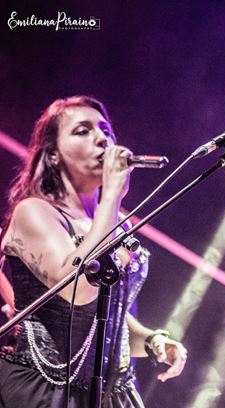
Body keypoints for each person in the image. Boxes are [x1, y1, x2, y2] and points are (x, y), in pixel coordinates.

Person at [0, 96, 187, 407]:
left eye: (105, 130)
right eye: (83, 131)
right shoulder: (34, 212)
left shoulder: (116, 225)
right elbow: (78, 290)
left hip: (113, 395)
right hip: (45, 391)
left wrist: (153, 341)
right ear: (53, 154)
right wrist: (111, 196)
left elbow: (110, 320)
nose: (102, 138)